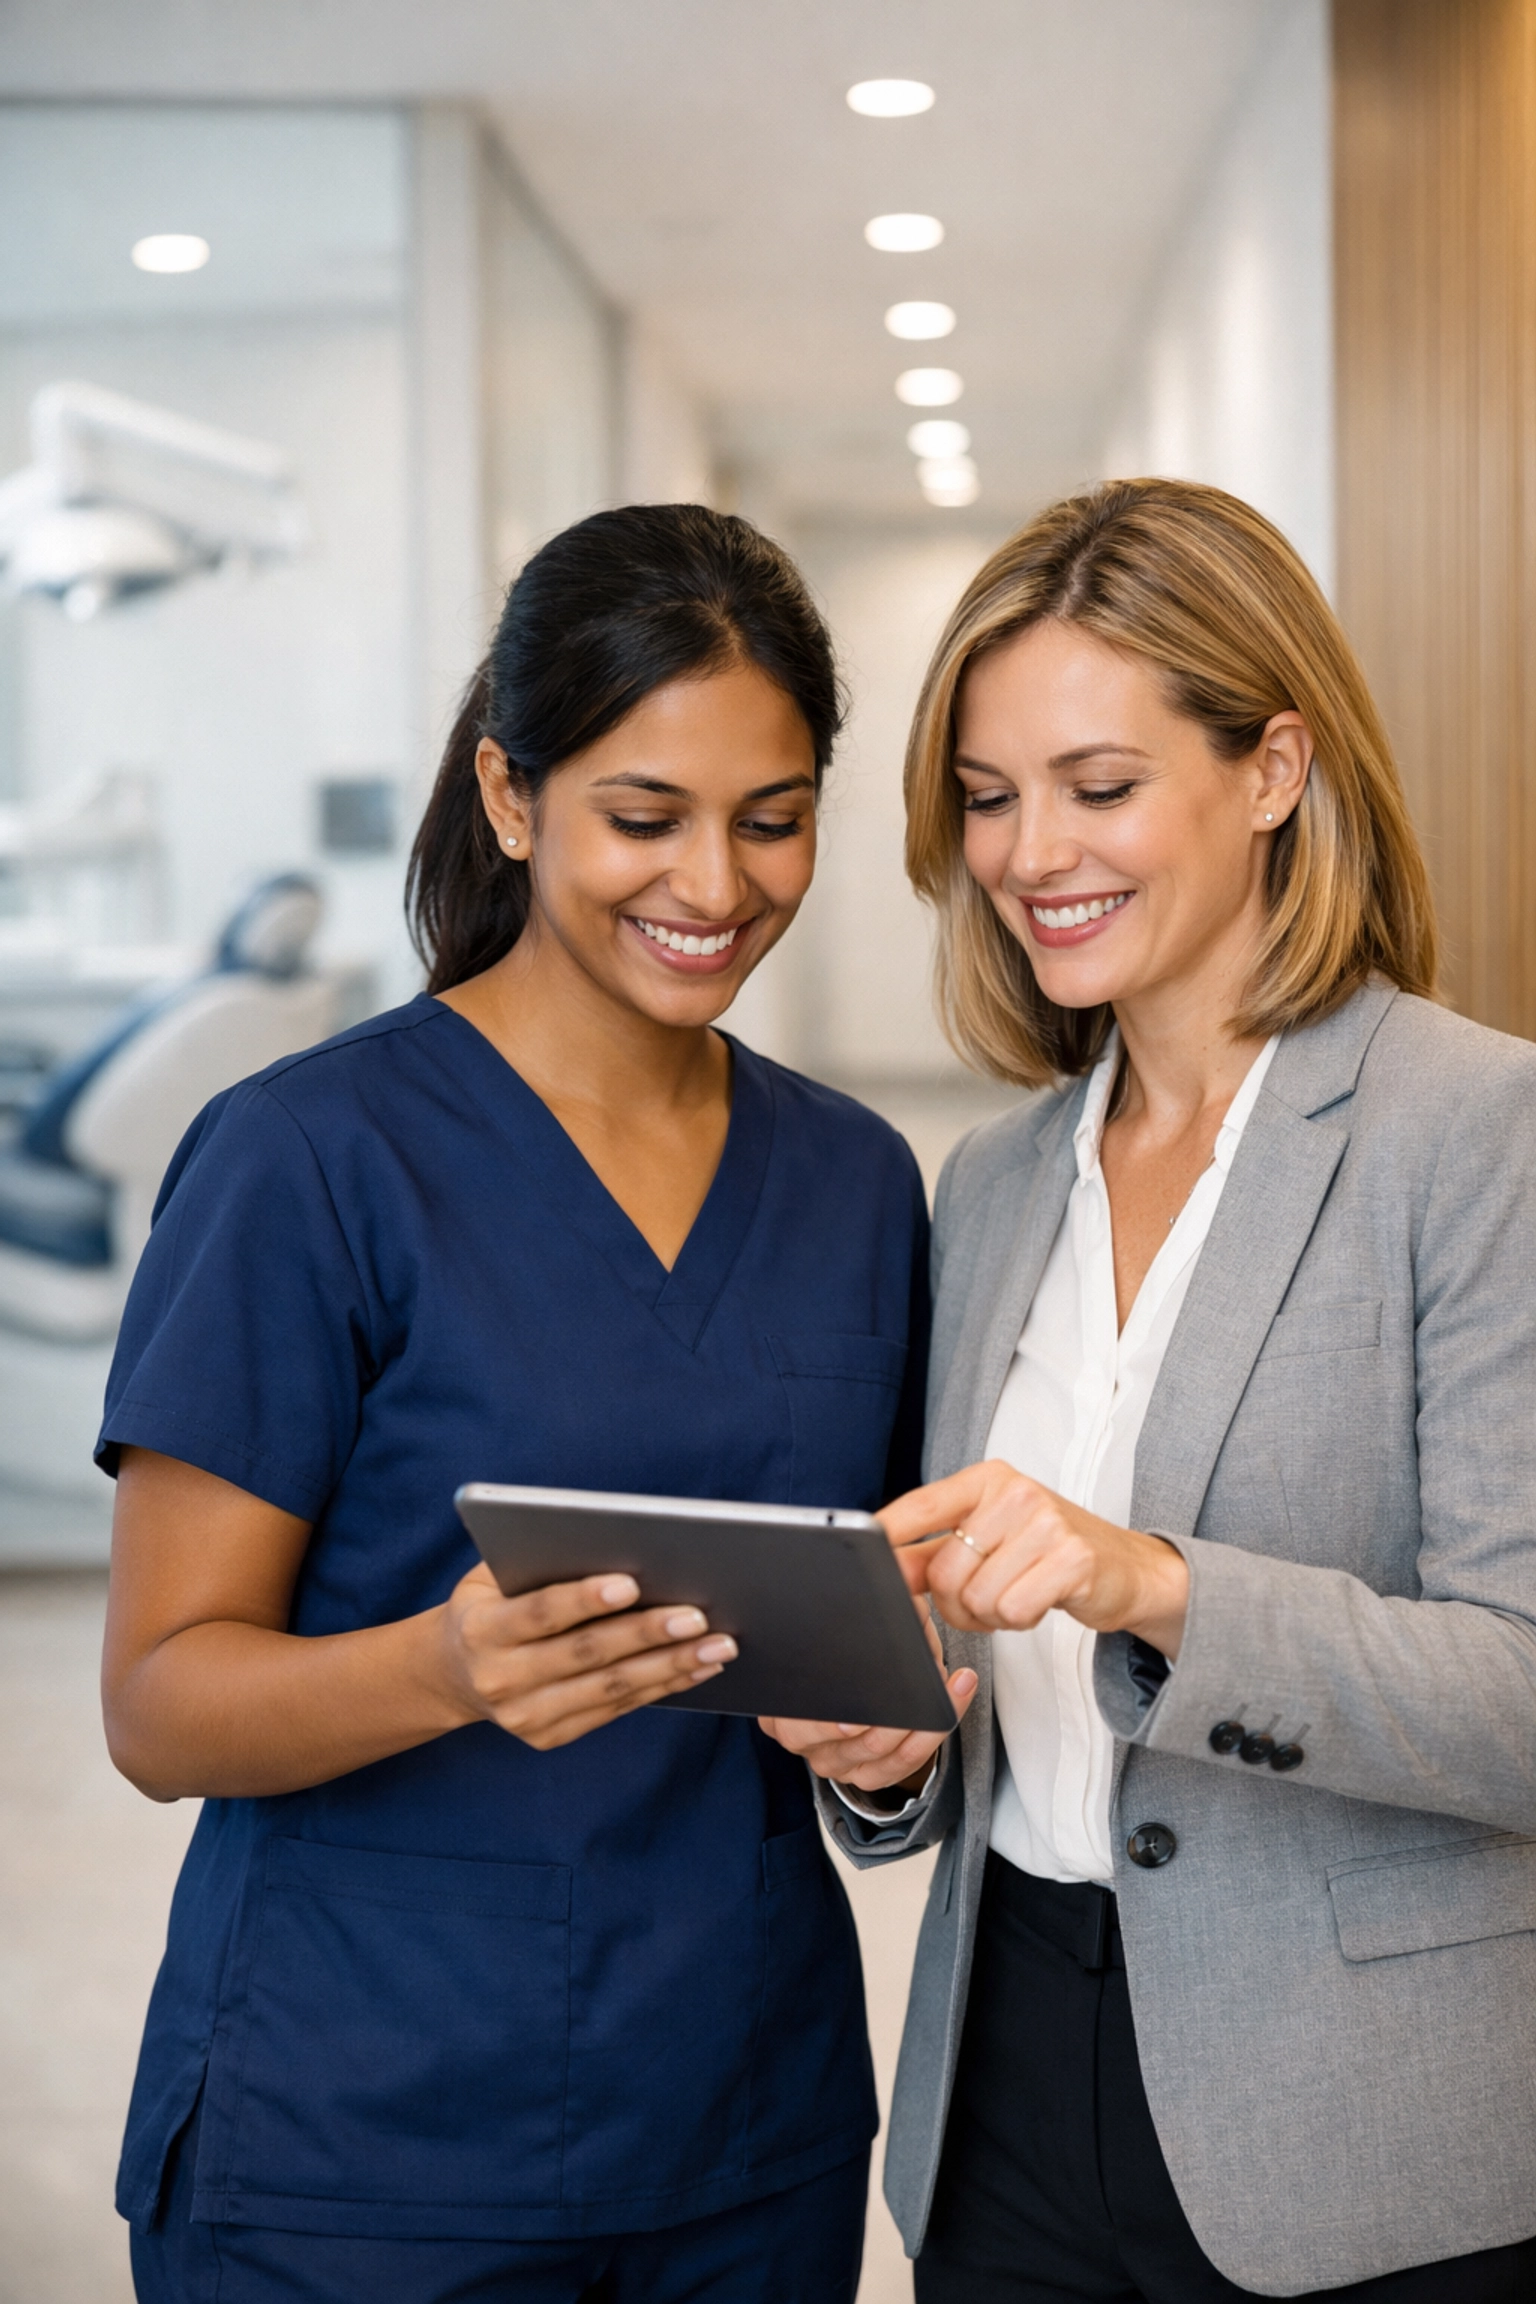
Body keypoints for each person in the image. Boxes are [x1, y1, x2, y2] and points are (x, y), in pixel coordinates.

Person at [100, 503, 970, 2304]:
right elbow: (160, 1704)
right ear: (511, 797)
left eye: (773, 819)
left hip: (745, 2128)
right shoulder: (308, 1161)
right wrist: (444, 1668)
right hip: (362, 2141)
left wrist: (892, 1757)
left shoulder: (855, 1184)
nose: (714, 886)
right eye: (644, 818)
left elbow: (878, 1646)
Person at [763, 479, 1536, 2299]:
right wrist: (894, 1746)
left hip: (1362, 2127)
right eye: (988, 796)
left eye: (1098, 787)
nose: (1032, 853)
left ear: (1274, 769)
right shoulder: (992, 1184)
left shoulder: (1475, 1135)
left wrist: (1152, 1583)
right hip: (1008, 2082)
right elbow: (985, 1701)